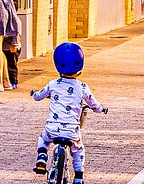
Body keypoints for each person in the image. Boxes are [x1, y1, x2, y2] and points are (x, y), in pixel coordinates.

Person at [31, 42, 105, 184]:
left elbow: (38, 96)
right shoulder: (82, 87)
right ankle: (78, 177)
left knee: (43, 139)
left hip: (52, 128)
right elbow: (93, 104)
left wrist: (33, 94)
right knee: (78, 150)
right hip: (72, 130)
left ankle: (41, 157)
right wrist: (100, 109)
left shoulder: (52, 84)